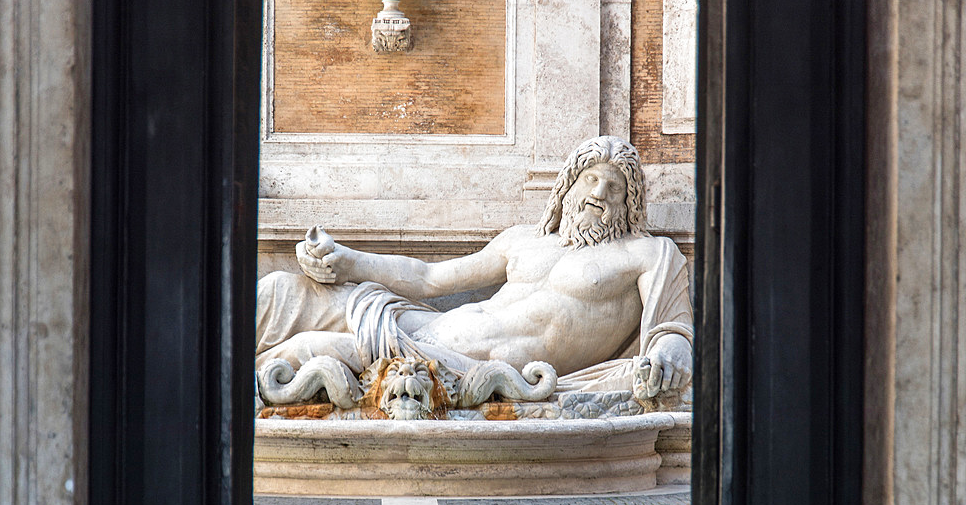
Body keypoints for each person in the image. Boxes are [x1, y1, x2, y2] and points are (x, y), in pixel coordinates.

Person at [255, 135, 693, 398]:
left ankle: (211, 397)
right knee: (280, 290)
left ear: (629, 200)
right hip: (423, 324)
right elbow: (429, 279)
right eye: (591, 179)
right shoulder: (524, 239)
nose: (599, 193)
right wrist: (347, 261)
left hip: (462, 365)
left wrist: (670, 352)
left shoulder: (648, 254)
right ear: (569, 186)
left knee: (308, 349)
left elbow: (675, 329)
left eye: (614, 186)